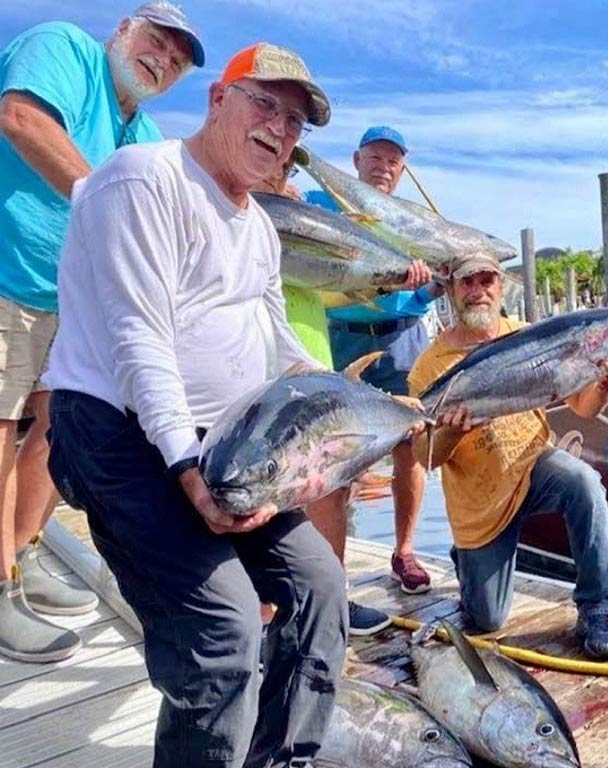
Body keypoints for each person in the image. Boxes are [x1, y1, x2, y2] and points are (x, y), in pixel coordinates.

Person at [44, 43, 349, 766]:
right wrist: (186, 469)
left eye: (296, 122)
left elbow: (282, 353)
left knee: (321, 588)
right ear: (219, 99)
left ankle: (282, 758)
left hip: (220, 444)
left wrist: (350, 421)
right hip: (118, 438)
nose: (280, 130)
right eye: (265, 105)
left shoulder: (257, 229)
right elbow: (138, 342)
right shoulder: (142, 179)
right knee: (223, 635)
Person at [0, 2, 203, 663]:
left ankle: (22, 554)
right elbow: (21, 119)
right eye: (156, 41)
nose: (163, 59)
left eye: (176, 59)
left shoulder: (144, 134)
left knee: (65, 429)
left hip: (73, 301)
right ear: (122, 32)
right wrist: (101, 198)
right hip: (6, 276)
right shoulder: (62, 47)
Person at [408, 252, 608, 661]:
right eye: (467, 282)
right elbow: (427, 457)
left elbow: (585, 408)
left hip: (533, 468)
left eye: (486, 280)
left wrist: (605, 381)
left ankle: (596, 610)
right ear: (452, 291)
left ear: (500, 286)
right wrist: (453, 432)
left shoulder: (528, 334)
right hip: (481, 504)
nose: (478, 291)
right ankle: (469, 565)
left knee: (585, 483)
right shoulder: (429, 366)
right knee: (486, 619)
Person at [254, 148, 392, 637]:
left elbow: (328, 292)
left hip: (315, 361)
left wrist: (393, 286)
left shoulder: (306, 215)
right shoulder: (243, 212)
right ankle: (263, 616)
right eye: (274, 162)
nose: (282, 174)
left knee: (331, 488)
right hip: (262, 369)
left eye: (289, 167)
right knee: (263, 489)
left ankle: (332, 603)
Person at [322, 126, 439, 595]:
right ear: (355, 160)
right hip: (342, 338)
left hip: (402, 339)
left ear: (403, 170)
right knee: (337, 451)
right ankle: (332, 569)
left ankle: (404, 552)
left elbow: (421, 297)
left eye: (393, 161)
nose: (383, 166)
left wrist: (432, 286)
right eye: (375, 157)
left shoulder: (413, 221)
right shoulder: (323, 198)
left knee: (410, 445)